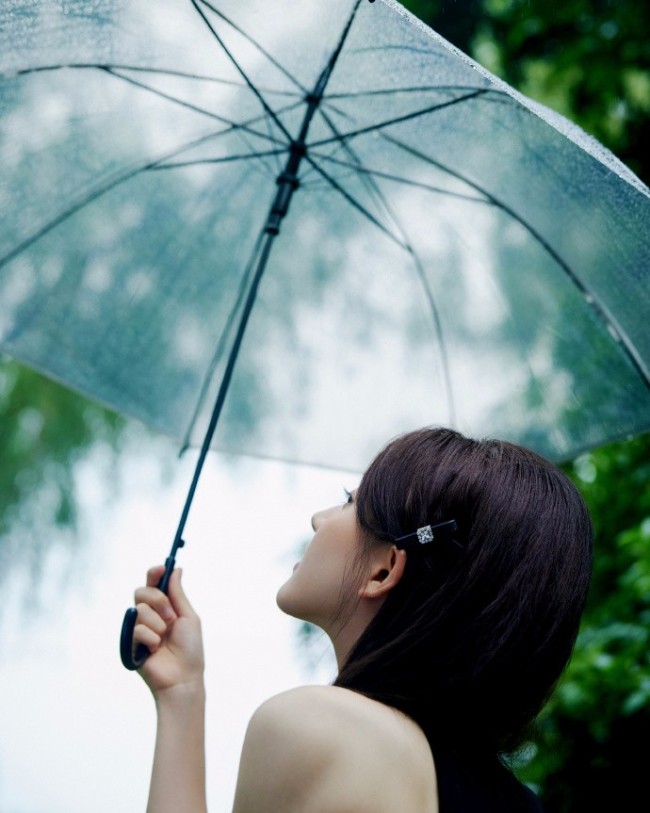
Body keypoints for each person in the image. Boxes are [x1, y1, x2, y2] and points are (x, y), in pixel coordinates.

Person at [131, 426, 593, 813]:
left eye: (350, 501)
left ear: (385, 569)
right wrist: (182, 694)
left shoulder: (321, 728)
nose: (317, 518)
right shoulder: (520, 805)